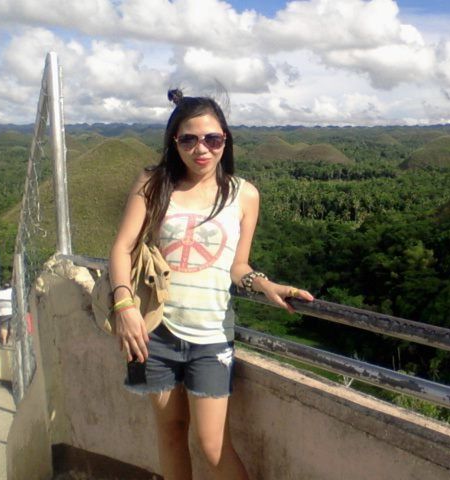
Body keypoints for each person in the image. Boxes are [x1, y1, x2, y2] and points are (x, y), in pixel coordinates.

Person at [109, 88, 313, 480]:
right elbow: (122, 247)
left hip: (212, 335)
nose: (201, 149)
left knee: (212, 446)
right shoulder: (153, 183)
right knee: (169, 433)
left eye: (212, 139)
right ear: (174, 141)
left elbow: (237, 265)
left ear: (226, 141)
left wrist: (263, 284)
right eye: (189, 139)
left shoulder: (244, 195)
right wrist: (124, 306)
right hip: (154, 330)